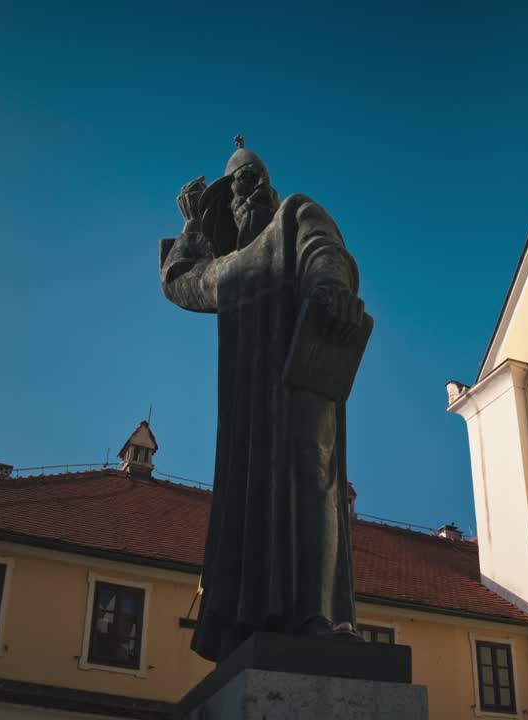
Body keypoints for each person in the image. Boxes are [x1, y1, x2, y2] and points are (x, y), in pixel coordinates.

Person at [159, 138, 367, 662]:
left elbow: (325, 253)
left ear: (270, 188)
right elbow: (180, 282)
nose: (248, 189)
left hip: (302, 378)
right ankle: (253, 620)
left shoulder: (295, 216)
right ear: (227, 206)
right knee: (251, 501)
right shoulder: (228, 269)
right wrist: (192, 230)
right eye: (237, 184)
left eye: (254, 178)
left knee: (313, 475)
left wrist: (328, 289)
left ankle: (316, 615)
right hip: (250, 418)